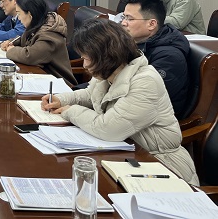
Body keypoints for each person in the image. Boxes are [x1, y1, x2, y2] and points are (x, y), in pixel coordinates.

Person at [42, 19, 199, 184]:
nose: (85, 65)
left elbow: (108, 128)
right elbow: (90, 95)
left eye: (87, 58)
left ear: (106, 56)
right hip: (128, 156)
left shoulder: (146, 81)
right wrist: (62, 99)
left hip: (161, 165)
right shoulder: (110, 71)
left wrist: (70, 111)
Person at [120, 0, 190, 117]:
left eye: (130, 19)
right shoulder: (136, 43)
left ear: (152, 24)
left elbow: (144, 100)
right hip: (128, 109)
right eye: (124, 17)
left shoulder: (169, 57)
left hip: (152, 120)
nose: (123, 23)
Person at [2, 0, 75, 85]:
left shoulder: (50, 33)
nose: (19, 18)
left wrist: (11, 50)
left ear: (30, 14)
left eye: (19, 14)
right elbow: (26, 39)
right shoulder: (38, 23)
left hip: (59, 83)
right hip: (42, 77)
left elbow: (30, 56)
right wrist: (12, 42)